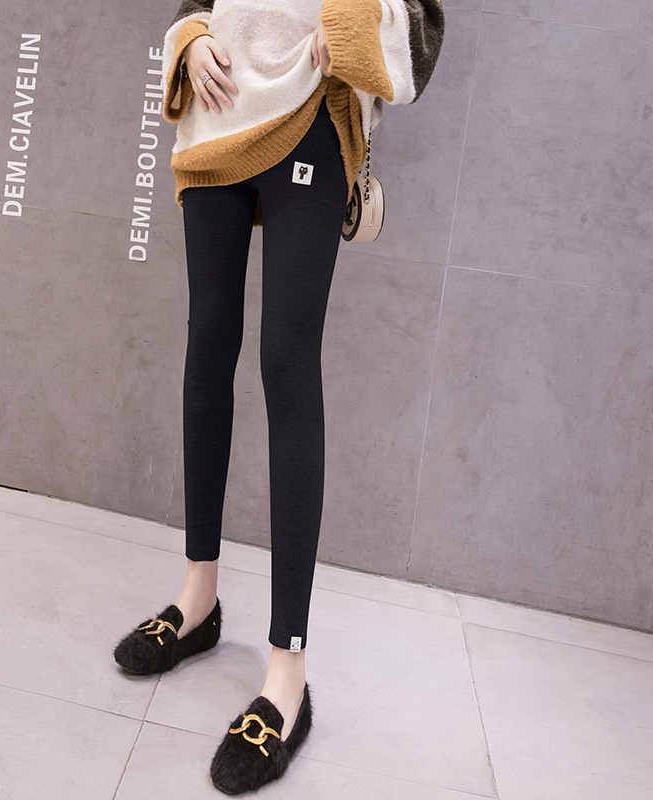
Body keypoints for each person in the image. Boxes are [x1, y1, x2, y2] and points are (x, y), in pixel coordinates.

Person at [114, 1, 444, 793]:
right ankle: (198, 601)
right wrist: (192, 39)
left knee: (287, 367)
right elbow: (196, 6)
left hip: (311, 111)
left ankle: (287, 677)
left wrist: (356, 22)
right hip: (217, 112)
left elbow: (424, 25)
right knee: (207, 348)